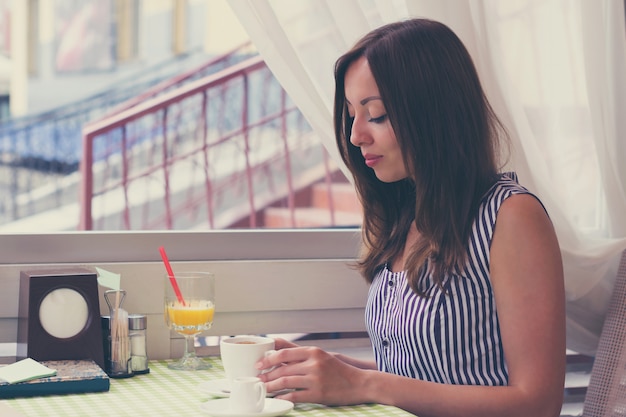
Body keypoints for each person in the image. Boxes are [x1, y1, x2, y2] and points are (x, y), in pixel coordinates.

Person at [256, 18, 565, 417]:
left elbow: (538, 404)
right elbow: (414, 377)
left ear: (433, 112)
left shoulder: (511, 216)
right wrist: (332, 370)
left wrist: (365, 383)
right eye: (352, 114)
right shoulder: (406, 217)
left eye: (377, 114)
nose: (355, 135)